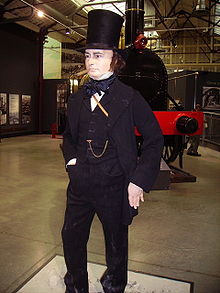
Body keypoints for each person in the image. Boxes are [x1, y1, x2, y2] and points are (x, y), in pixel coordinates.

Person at [61, 9, 164, 293]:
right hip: (80, 183)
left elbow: (155, 139)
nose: (91, 61)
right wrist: (72, 162)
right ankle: (76, 286)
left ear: (114, 60)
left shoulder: (130, 98)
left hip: (115, 183)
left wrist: (139, 180)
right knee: (71, 238)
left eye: (98, 55)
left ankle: (114, 286)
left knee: (116, 243)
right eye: (88, 55)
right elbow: (69, 136)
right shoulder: (77, 98)